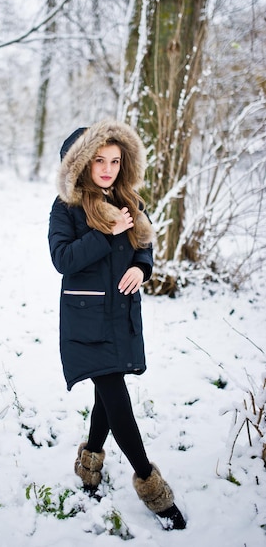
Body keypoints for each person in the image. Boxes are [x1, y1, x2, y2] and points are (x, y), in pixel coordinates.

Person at [48, 119, 186, 530]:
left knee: (107, 396)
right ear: (81, 165)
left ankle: (90, 463)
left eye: (114, 160)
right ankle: (151, 485)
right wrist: (107, 233)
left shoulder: (131, 201)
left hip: (121, 314)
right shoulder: (68, 207)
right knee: (115, 394)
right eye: (98, 161)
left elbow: (144, 247)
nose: (107, 168)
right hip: (87, 320)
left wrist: (142, 270)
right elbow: (63, 259)